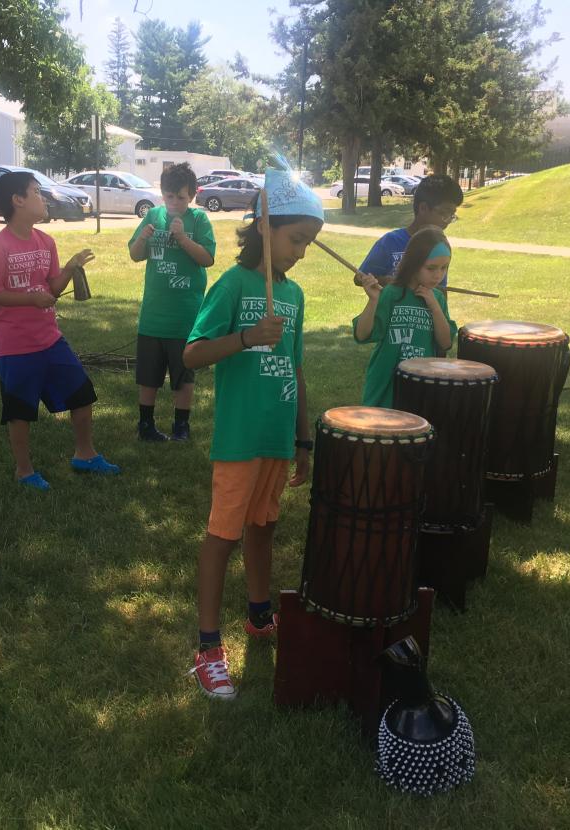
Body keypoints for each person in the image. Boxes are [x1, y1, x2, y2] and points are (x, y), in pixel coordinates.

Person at [183, 168, 322, 700]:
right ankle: (208, 650)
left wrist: (303, 440)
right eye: (296, 240)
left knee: (263, 527)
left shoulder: (295, 295)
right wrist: (244, 338)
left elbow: (296, 368)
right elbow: (193, 353)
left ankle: (260, 616)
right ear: (265, 227)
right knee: (224, 535)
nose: (302, 252)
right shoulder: (235, 285)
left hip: (277, 437)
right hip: (240, 438)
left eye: (308, 243)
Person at [0, 171, 119, 489]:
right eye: (36, 192)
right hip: (16, 346)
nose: (42, 198)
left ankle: (84, 454)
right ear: (18, 200)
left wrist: (69, 268)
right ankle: (24, 471)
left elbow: (52, 289)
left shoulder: (46, 242)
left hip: (50, 339)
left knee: (81, 394)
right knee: (20, 410)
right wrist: (29, 300)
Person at [127, 162, 216, 441]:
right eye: (169, 196)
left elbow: (207, 259)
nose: (174, 202)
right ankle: (146, 425)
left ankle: (181, 426)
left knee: (183, 376)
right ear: (162, 194)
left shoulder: (199, 220)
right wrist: (142, 238)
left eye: (181, 197)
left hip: (184, 316)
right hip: (153, 314)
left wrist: (182, 238)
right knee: (148, 376)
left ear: (191, 196)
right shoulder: (153, 215)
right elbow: (135, 254)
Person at [354, 226, 458, 408]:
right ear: (413, 263)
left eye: (444, 268)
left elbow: (445, 342)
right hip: (386, 384)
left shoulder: (438, 299)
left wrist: (434, 306)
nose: (438, 275)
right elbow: (362, 335)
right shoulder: (391, 294)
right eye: (431, 268)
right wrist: (373, 300)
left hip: (420, 385)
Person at [359, 174, 464, 288]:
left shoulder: (439, 245)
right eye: (444, 213)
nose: (448, 220)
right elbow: (359, 278)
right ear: (423, 208)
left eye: (451, 215)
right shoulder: (390, 241)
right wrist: (387, 281)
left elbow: (441, 292)